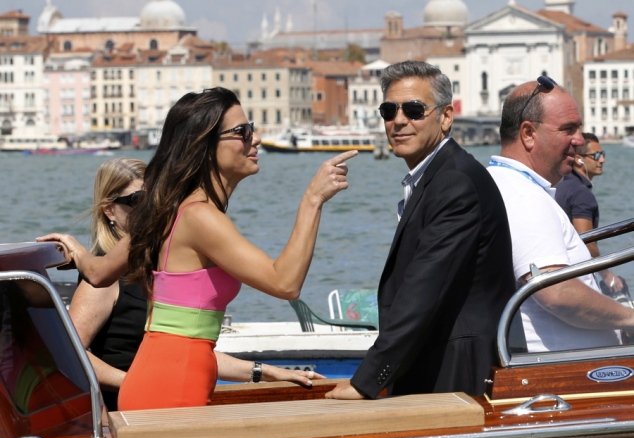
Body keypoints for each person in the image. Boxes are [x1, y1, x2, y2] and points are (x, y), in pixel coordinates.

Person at [40, 87, 357, 410]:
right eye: (242, 132)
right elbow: (285, 283)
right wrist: (312, 200)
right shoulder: (198, 216)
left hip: (167, 379)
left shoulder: (170, 209)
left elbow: (98, 272)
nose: (255, 139)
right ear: (204, 146)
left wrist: (77, 250)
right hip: (172, 386)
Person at [326, 60, 516, 400]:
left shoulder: (454, 183)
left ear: (445, 117)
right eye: (389, 110)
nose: (399, 120)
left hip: (455, 373)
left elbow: (423, 290)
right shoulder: (437, 176)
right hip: (434, 364)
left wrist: (365, 382)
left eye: (414, 110)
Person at [487, 75, 634, 352]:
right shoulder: (522, 195)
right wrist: (629, 319)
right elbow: (557, 292)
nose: (579, 140)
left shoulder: (509, 183)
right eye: (568, 129)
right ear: (528, 133)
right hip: (561, 378)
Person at [68, 157, 147, 411]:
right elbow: (71, 353)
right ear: (109, 210)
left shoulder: (155, 266)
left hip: (161, 403)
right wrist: (135, 384)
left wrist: (259, 370)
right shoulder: (102, 279)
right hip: (126, 413)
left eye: (156, 198)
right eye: (137, 201)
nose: (151, 210)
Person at [555, 132, 625, 294]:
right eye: (597, 155)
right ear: (579, 159)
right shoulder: (581, 194)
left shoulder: (562, 183)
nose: (602, 160)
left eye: (603, 154)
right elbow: (586, 241)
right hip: (575, 277)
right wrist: (607, 276)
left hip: (561, 269)